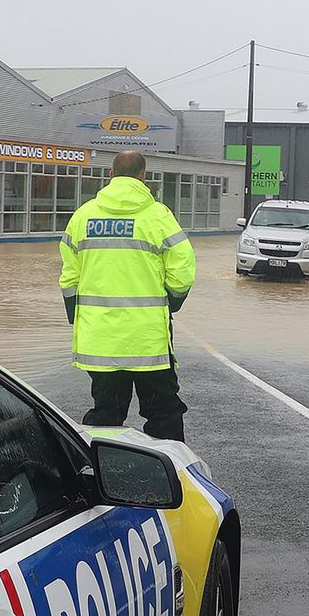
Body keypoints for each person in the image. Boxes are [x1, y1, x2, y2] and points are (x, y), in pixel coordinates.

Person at [58, 150, 196, 440]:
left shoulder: (83, 216)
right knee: (163, 414)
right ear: (143, 176)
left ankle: (99, 474)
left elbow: (69, 277)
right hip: (148, 341)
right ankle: (171, 476)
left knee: (106, 414)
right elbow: (183, 270)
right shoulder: (159, 217)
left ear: (110, 175)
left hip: (101, 339)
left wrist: (76, 313)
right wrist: (171, 301)